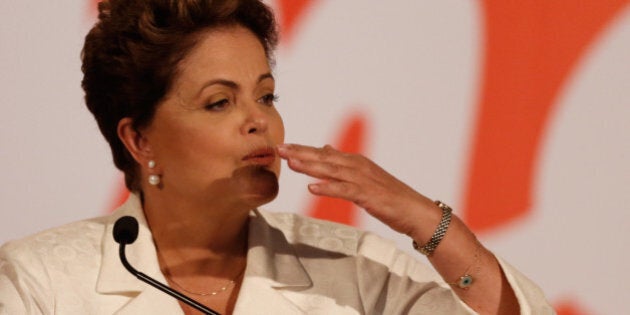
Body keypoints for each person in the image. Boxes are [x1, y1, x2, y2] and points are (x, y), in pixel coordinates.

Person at [0, 0, 553, 314]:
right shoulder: (41, 281)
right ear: (140, 141)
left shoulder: (351, 269)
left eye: (266, 95)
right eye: (220, 102)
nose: (258, 119)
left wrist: (424, 219)